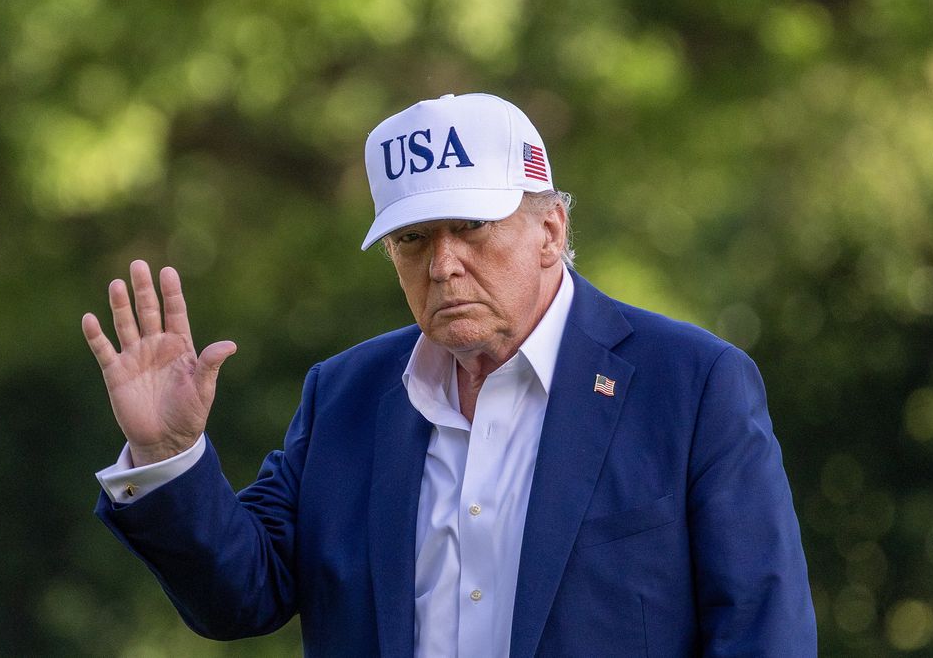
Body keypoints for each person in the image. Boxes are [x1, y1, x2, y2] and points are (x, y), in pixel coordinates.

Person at [84, 93, 817, 656]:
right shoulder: (345, 396)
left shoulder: (691, 385)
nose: (442, 263)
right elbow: (239, 596)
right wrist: (168, 453)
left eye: (471, 226)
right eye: (412, 238)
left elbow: (762, 629)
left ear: (550, 233)